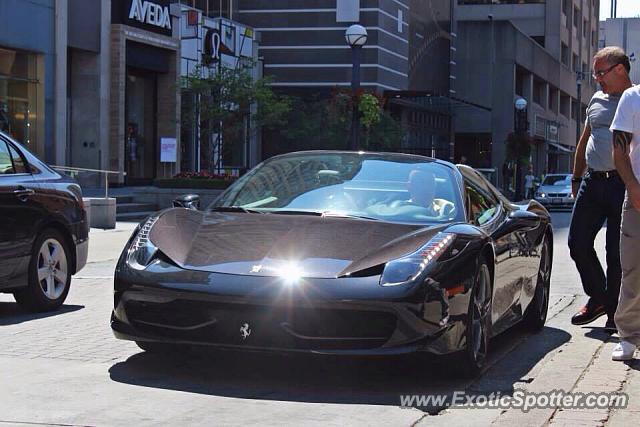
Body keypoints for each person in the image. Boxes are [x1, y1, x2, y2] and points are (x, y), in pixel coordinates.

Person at [568, 47, 632, 330]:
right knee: (577, 243)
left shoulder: (635, 100)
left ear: (620, 69)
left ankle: (614, 315)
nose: (597, 79)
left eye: (600, 73)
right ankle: (599, 297)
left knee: (615, 253)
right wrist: (576, 178)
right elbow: (584, 141)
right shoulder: (595, 99)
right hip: (592, 182)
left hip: (623, 184)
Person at [610, 83, 640, 360]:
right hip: (638, 197)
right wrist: (632, 187)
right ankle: (629, 336)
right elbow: (619, 151)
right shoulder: (633, 97)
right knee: (633, 269)